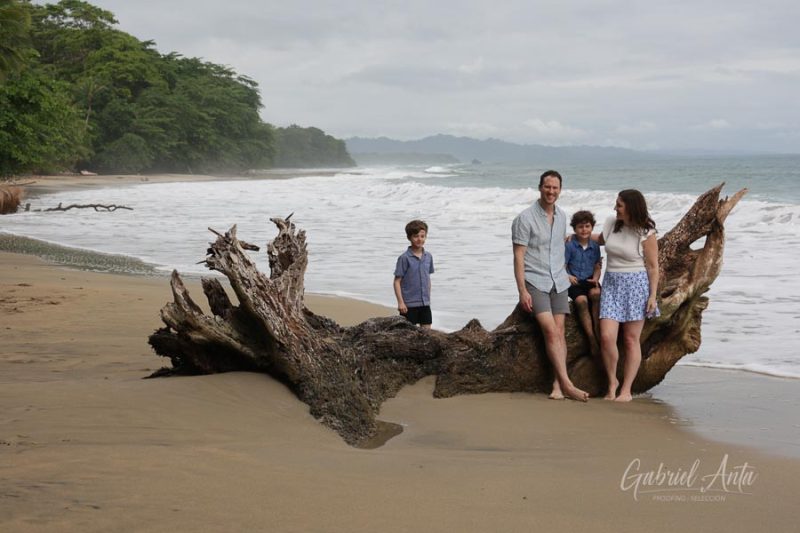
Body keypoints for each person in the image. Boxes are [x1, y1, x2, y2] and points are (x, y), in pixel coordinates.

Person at [512, 170, 589, 402]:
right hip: (535, 280)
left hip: (559, 280)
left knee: (560, 332)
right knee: (550, 331)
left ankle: (557, 385)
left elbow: (560, 248)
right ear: (540, 187)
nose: (551, 191)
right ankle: (568, 385)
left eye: (555, 188)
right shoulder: (524, 219)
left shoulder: (562, 216)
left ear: (560, 190)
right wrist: (522, 290)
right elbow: (518, 257)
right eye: (547, 187)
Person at [596, 189, 659, 402]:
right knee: (607, 337)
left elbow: (653, 267)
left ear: (631, 207)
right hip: (611, 284)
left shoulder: (646, 231)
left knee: (631, 340)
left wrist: (652, 296)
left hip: (636, 286)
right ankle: (612, 382)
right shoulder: (611, 223)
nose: (615, 208)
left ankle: (626, 390)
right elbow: (599, 240)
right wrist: (573, 237)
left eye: (619, 205)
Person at [565, 210, 602, 356]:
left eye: (587, 226)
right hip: (574, 282)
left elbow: (597, 266)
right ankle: (591, 338)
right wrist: (568, 276)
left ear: (592, 227)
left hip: (589, 279)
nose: (584, 230)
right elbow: (562, 264)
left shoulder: (595, 246)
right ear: (574, 229)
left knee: (596, 294)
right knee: (581, 301)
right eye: (580, 227)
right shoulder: (569, 245)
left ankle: (598, 331)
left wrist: (596, 278)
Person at [393, 219, 434, 329]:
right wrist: (400, 303)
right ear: (409, 237)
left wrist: (428, 298)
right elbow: (397, 281)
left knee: (427, 334)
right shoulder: (404, 258)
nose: (419, 239)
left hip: (425, 303)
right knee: (408, 334)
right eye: (416, 236)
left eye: (422, 236)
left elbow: (428, 278)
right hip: (408, 305)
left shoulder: (428, 257)